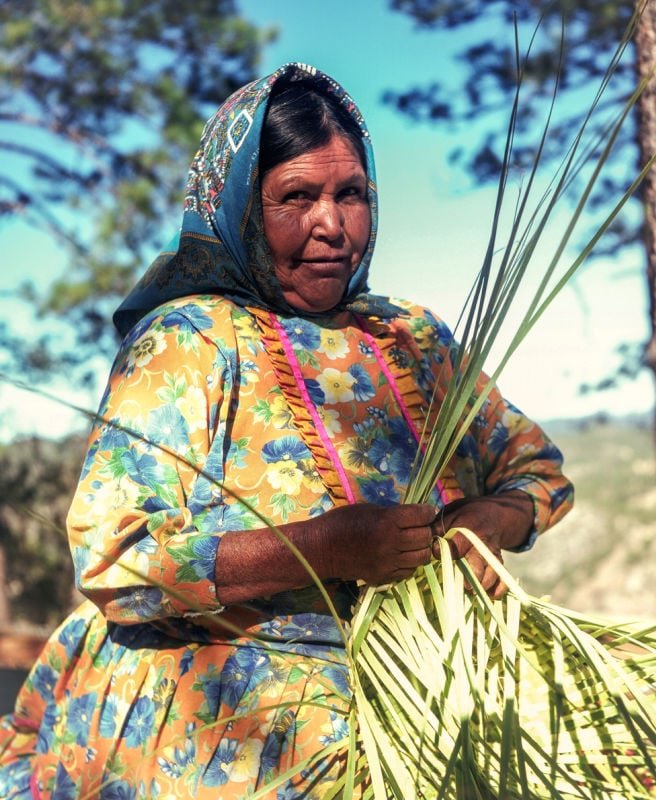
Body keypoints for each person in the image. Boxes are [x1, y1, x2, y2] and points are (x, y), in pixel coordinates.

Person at [0, 63, 573, 798]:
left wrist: (484, 523)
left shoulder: (413, 339)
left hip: (419, 708)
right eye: (296, 197)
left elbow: (539, 471)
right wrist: (325, 547)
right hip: (222, 735)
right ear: (240, 207)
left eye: (351, 194)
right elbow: (118, 558)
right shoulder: (191, 341)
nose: (331, 225)